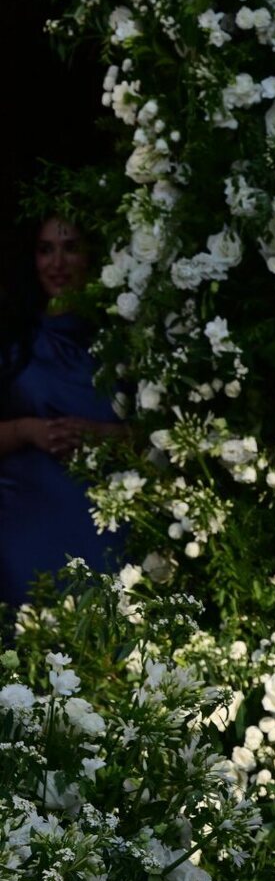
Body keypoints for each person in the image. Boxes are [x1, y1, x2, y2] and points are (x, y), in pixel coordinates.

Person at [0, 217, 127, 606]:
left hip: (105, 528)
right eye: (46, 249)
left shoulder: (123, 342)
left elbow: (161, 438)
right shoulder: (11, 340)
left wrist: (99, 435)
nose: (57, 263)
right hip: (24, 525)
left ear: (91, 256)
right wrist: (25, 431)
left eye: (70, 248)